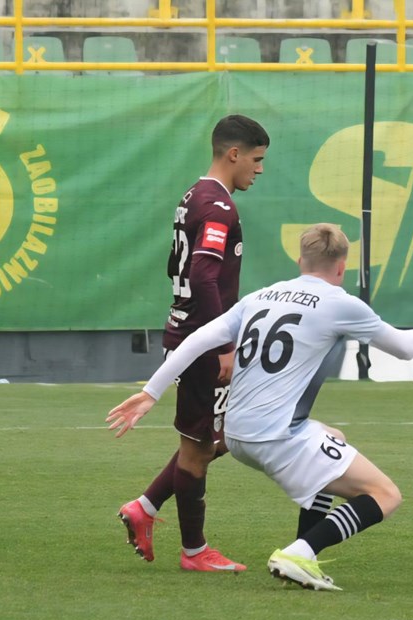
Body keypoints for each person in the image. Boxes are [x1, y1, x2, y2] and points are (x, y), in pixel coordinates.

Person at [108, 223, 413, 590]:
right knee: (386, 495)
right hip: (277, 439)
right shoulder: (340, 303)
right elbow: (408, 347)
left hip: (234, 434)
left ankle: (304, 556)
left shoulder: (262, 295)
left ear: (300, 261)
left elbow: (198, 339)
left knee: (333, 437)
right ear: (342, 266)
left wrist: (151, 393)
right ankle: (300, 552)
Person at [117, 114, 274, 572]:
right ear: (234, 154)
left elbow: (182, 269)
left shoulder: (193, 196)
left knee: (214, 437)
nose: (259, 169)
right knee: (202, 445)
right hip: (203, 340)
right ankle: (193, 551)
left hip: (189, 331)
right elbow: (203, 274)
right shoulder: (219, 206)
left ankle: (146, 507)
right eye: (256, 159)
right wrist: (223, 343)